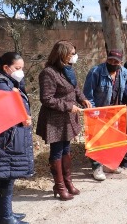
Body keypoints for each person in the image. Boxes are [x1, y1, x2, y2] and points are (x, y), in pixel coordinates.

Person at [36, 41, 91, 201]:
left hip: (67, 118)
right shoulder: (48, 73)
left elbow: (75, 89)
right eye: (71, 53)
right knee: (57, 151)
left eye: (74, 53)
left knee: (67, 149)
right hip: (55, 119)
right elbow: (46, 99)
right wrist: (68, 106)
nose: (74, 56)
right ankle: (59, 186)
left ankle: (68, 182)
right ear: (61, 54)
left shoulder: (68, 69)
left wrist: (83, 99)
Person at [0, 52, 33, 224]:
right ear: (6, 68)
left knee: (7, 178)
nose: (21, 72)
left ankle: (6, 212)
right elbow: (5, 112)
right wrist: (22, 118)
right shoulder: (1, 85)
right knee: (5, 178)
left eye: (22, 68)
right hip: (6, 139)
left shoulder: (10, 82)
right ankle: (5, 217)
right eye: (18, 68)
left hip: (10, 137)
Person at [83, 49, 127, 181]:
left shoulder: (123, 72)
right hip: (98, 112)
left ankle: (109, 164)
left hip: (115, 113)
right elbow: (88, 94)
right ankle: (96, 167)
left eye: (116, 61)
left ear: (120, 62)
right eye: (110, 60)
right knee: (96, 140)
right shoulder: (95, 72)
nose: (112, 63)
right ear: (106, 59)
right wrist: (94, 112)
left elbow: (123, 92)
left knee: (112, 139)